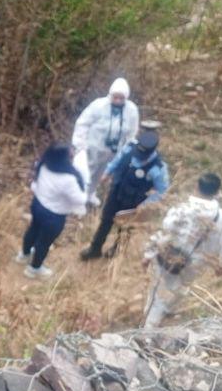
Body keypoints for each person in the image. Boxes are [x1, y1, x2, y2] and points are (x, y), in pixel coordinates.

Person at [141, 173, 222, 328]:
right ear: (217, 192)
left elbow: (165, 232)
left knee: (159, 292)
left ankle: (148, 327)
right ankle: (169, 308)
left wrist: (148, 254)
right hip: (196, 264)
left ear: (196, 187)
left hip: (169, 258)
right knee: (182, 287)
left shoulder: (182, 209)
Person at [80, 129, 170, 261]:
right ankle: (95, 249)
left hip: (134, 202)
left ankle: (116, 251)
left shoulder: (158, 168)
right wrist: (107, 173)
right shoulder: (130, 148)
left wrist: (145, 205)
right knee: (105, 220)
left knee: (125, 228)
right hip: (116, 192)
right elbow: (117, 160)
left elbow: (161, 191)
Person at [17, 143, 87, 278]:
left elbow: (35, 185)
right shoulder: (69, 179)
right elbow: (80, 200)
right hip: (54, 216)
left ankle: (24, 255)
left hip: (37, 205)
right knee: (44, 242)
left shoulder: (43, 165)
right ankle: (34, 269)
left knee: (32, 230)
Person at [72, 78, 140, 207]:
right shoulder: (98, 105)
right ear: (110, 95)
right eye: (115, 97)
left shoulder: (131, 110)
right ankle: (78, 199)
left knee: (100, 174)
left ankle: (90, 194)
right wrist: (79, 145)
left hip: (114, 150)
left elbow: (132, 132)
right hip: (93, 148)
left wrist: (128, 150)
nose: (118, 101)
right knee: (86, 173)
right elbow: (82, 123)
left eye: (121, 98)